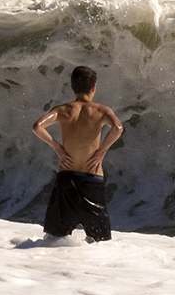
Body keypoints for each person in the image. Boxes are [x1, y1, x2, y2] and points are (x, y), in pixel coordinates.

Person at [31, 65, 123, 242]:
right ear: (93, 87)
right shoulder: (101, 111)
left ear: (72, 86)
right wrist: (101, 152)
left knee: (54, 240)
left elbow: (37, 127)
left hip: (67, 179)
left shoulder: (62, 110)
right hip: (92, 180)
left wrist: (57, 146)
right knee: (100, 243)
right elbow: (118, 128)